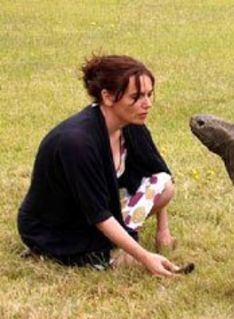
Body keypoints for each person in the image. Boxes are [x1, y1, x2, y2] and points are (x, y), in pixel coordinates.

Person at [17, 54, 181, 277]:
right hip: (57, 225)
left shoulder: (131, 124)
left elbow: (155, 171)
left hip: (95, 208)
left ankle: (115, 244)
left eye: (149, 94)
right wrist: (145, 257)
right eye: (137, 96)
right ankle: (100, 253)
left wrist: (164, 230)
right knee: (107, 256)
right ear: (108, 96)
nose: (147, 103)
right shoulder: (78, 142)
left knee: (164, 185)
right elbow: (98, 214)